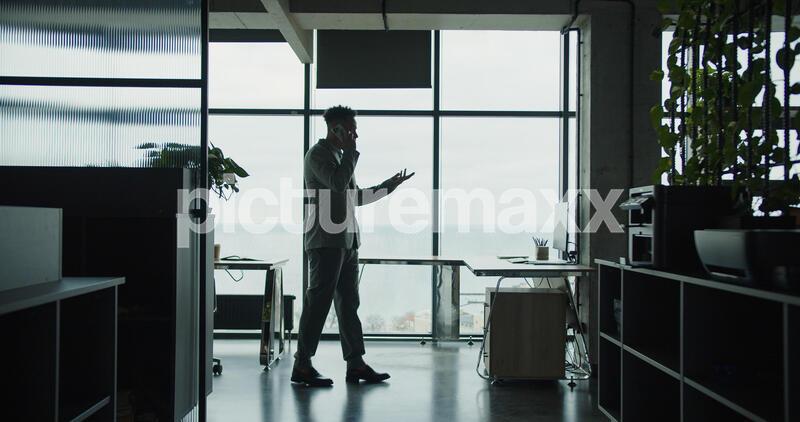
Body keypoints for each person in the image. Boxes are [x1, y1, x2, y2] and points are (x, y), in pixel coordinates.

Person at [292, 105, 414, 387]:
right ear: (335, 129)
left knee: (349, 304)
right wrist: (351, 153)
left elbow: (353, 198)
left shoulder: (339, 155)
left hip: (347, 240)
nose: (355, 134)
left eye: (354, 129)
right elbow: (336, 184)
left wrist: (387, 187)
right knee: (318, 303)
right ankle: (302, 364)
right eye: (350, 129)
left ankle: (356, 364)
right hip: (325, 240)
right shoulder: (318, 155)